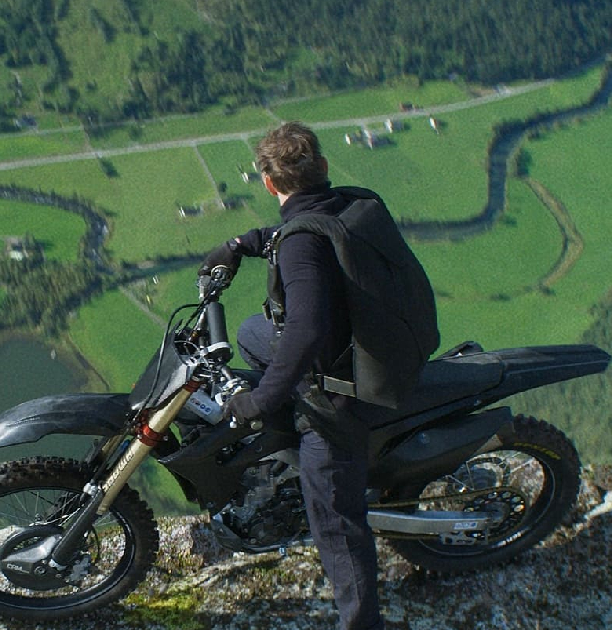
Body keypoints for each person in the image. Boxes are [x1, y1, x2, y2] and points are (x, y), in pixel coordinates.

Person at [200, 121, 385, 630]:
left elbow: (304, 333)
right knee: (252, 333)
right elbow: (308, 231)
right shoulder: (350, 200)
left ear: (268, 183)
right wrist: (242, 243)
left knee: (336, 522)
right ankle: (284, 410)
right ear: (322, 167)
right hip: (363, 345)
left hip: (343, 391)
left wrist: (260, 402)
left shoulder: (301, 244)